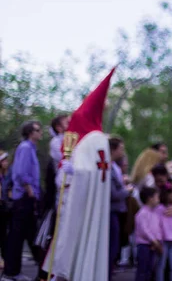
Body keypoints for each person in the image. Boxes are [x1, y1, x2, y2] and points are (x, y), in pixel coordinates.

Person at [41, 68, 115, 281]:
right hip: (73, 199)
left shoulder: (96, 139)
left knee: (78, 238)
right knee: (66, 239)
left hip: (84, 202)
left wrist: (77, 172)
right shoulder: (84, 139)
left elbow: (96, 172)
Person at [3, 120, 43, 280]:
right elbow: (19, 173)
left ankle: (14, 271)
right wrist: (29, 190)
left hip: (28, 198)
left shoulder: (31, 149)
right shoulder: (26, 148)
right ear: (30, 133)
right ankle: (11, 273)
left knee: (25, 234)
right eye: (38, 129)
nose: (41, 132)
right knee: (18, 236)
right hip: (24, 198)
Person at [110, 136, 133, 278]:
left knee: (115, 247)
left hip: (118, 211)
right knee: (112, 248)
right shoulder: (110, 168)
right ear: (113, 149)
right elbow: (113, 194)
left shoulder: (114, 167)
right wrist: (127, 190)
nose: (122, 151)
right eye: (121, 148)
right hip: (113, 211)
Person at [135, 187, 163, 281]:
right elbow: (144, 230)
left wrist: (158, 240)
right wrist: (154, 241)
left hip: (153, 245)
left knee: (150, 270)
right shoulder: (142, 213)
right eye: (157, 197)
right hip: (144, 245)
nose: (158, 199)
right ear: (150, 198)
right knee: (142, 270)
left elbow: (158, 228)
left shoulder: (155, 213)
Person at [0, 151, 9, 269]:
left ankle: (4, 258)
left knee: (3, 235)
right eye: (4, 160)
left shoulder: (5, 175)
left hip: (3, 206)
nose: (7, 163)